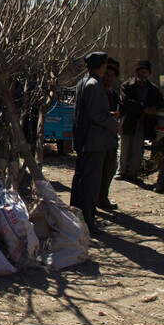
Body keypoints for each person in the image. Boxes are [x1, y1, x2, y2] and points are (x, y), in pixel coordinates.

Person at [70, 51, 119, 235]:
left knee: (82, 181)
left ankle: (78, 218)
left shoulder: (84, 82)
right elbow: (95, 114)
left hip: (86, 141)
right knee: (90, 184)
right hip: (93, 142)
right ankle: (88, 221)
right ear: (102, 66)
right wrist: (113, 123)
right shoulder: (93, 85)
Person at [117, 59, 164, 182]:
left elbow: (162, 101)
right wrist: (144, 109)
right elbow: (126, 101)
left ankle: (132, 174)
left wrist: (154, 107)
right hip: (128, 121)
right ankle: (121, 172)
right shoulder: (127, 86)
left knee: (138, 150)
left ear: (148, 73)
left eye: (145, 72)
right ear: (136, 72)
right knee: (124, 148)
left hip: (143, 123)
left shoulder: (153, 89)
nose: (143, 74)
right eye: (141, 71)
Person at [97, 57, 121, 211]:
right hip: (97, 139)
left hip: (111, 138)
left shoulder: (114, 95)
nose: (109, 78)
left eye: (112, 75)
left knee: (110, 168)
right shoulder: (96, 92)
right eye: (107, 74)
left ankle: (103, 197)